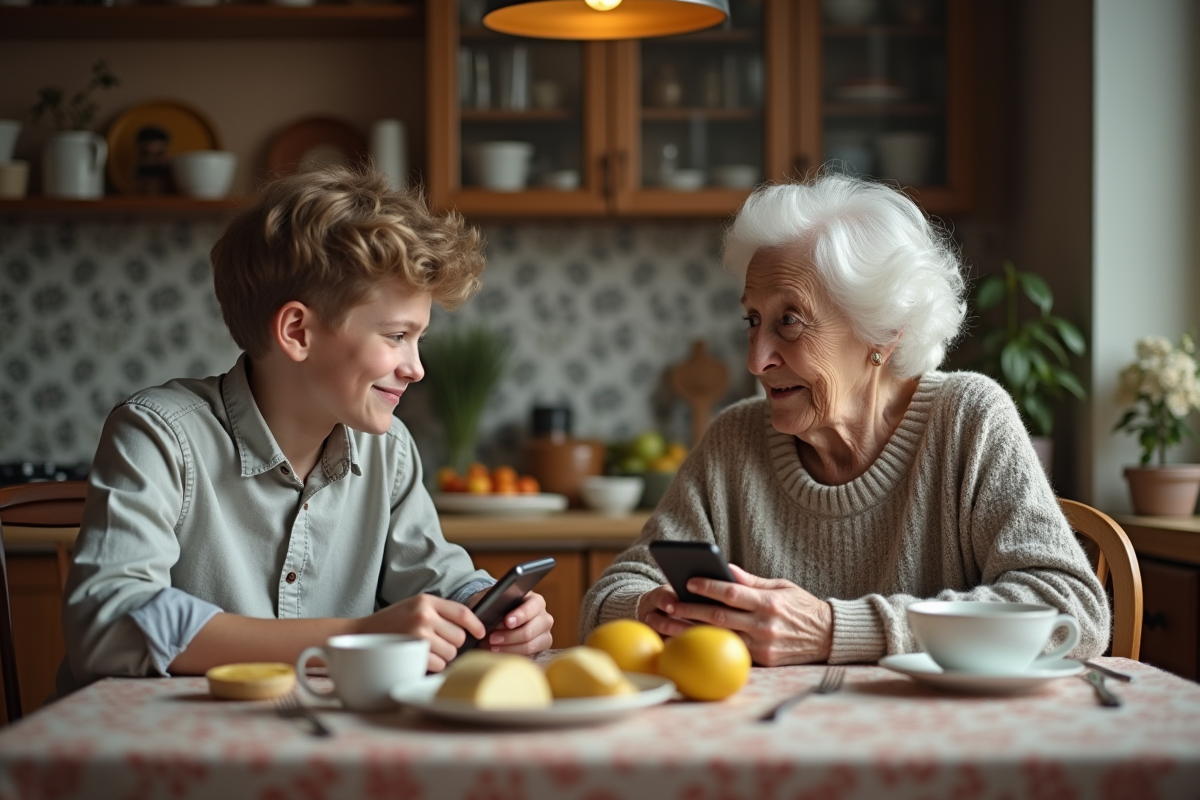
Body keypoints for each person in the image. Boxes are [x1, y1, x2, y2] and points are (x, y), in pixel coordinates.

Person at [60, 166, 553, 693]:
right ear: (298, 331)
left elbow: (440, 578)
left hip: (316, 747)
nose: (416, 368)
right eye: (396, 336)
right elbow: (108, 621)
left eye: (419, 340)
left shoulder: (390, 450)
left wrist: (488, 608)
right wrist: (354, 638)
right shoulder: (158, 436)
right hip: (155, 758)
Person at [580, 173, 1109, 665]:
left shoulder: (968, 421)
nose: (755, 359)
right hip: (773, 746)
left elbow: (1073, 613)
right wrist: (656, 607)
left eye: (790, 321)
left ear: (882, 332)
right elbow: (607, 597)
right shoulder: (734, 440)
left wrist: (835, 629)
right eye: (753, 320)